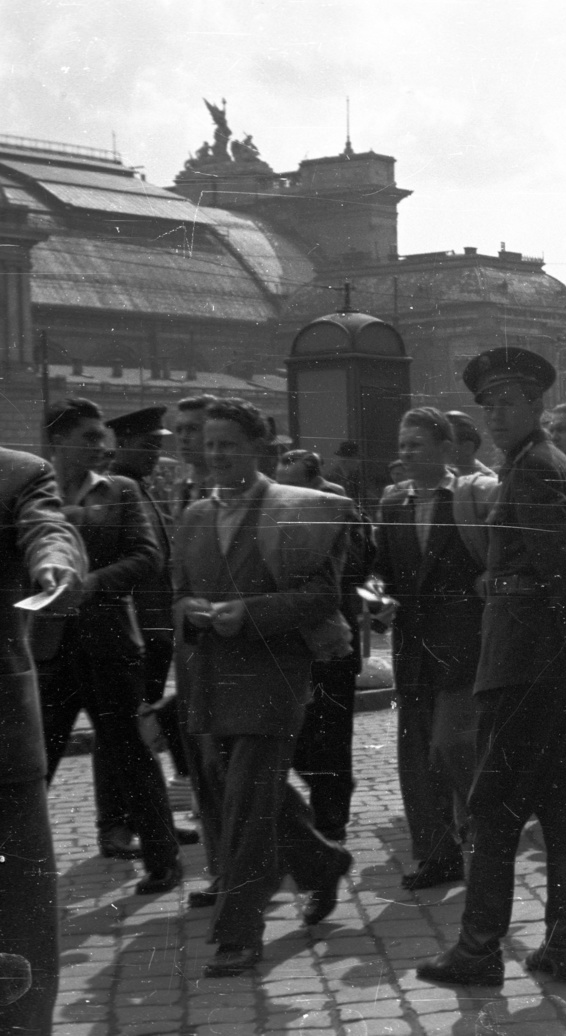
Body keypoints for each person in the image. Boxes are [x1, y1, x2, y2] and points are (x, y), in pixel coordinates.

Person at [417, 348, 566, 988]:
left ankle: (478, 950)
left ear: (536, 406)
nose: (496, 414)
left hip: (528, 664)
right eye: (488, 404)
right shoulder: (544, 465)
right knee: (559, 803)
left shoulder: (533, 469)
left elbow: (562, 566)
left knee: (492, 805)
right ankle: (564, 945)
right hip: (548, 661)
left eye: (508, 402)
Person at [172, 398, 355, 976]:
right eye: (211, 444)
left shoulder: (298, 512)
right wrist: (192, 611)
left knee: (249, 805)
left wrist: (248, 614)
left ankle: (239, 933)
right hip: (210, 678)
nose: (218, 454)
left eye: (230, 444)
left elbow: (323, 596)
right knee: (248, 796)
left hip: (273, 675)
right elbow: (173, 595)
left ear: (258, 450)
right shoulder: (194, 514)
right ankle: (322, 864)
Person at [36, 398, 181, 896]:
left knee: (132, 754)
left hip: (110, 644)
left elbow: (147, 557)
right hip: (48, 649)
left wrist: (93, 582)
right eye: (90, 438)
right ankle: (19, 869)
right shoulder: (30, 493)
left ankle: (163, 862)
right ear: (57, 442)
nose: (103, 447)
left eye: (104, 437)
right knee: (36, 762)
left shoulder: (120, 491)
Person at [375, 407, 496, 890]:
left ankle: (488, 836)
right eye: (402, 445)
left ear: (446, 451)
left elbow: (495, 558)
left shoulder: (470, 498)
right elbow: (379, 570)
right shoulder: (392, 505)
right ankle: (436, 855)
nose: (405, 454)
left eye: (416, 445)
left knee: (453, 744)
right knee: (418, 755)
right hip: (413, 647)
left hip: (464, 644)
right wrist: (376, 598)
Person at [0, 445, 83, 1036]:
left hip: (0, 741)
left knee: (17, 923)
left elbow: (48, 529)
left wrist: (55, 564)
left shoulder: (17, 472)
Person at [103, 406, 200, 853]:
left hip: (156, 629)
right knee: (120, 732)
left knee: (142, 730)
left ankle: (150, 817)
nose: (153, 455)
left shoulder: (144, 488)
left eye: (157, 447)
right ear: (121, 444)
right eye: (147, 447)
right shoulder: (111, 490)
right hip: (135, 629)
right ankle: (117, 825)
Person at [275, 447, 371, 842]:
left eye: (292, 485)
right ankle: (330, 795)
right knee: (299, 735)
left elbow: (359, 566)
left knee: (331, 734)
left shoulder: (342, 510)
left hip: (334, 641)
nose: (285, 494)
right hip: (293, 642)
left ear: (314, 480)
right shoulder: (286, 509)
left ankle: (332, 816)